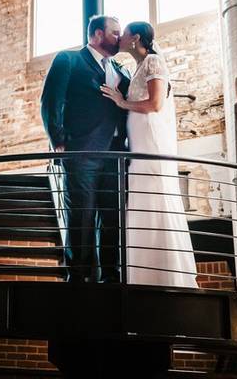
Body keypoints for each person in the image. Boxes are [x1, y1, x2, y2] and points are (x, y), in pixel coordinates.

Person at [100, 22, 198, 288]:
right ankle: (142, 275)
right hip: (138, 145)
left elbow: (156, 104)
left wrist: (122, 102)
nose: (120, 37)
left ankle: (167, 275)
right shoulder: (136, 68)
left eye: (125, 33)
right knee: (142, 200)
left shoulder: (154, 61)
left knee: (155, 194)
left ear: (136, 38)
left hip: (152, 141)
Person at [40, 15, 130, 282]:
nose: (120, 37)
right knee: (82, 215)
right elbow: (50, 100)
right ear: (98, 34)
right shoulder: (68, 60)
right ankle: (77, 278)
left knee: (112, 216)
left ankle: (111, 276)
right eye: (115, 33)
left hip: (116, 153)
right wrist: (58, 140)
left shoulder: (121, 69)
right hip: (81, 152)